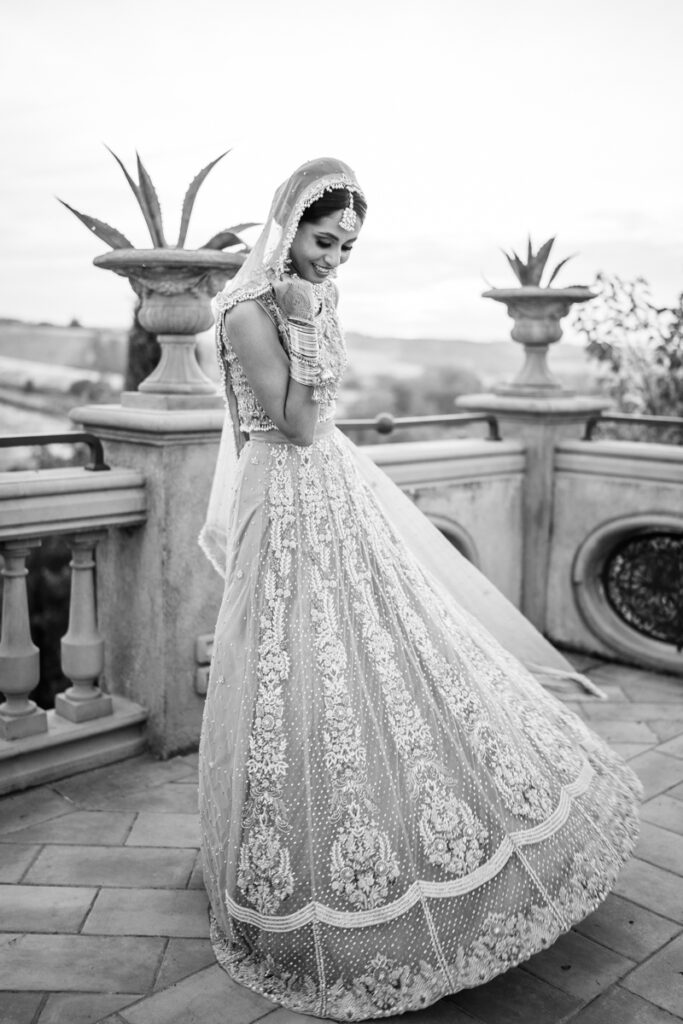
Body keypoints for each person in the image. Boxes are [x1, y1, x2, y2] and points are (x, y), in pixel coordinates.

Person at [198, 157, 641, 1021]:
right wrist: (306, 322)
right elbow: (291, 421)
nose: (334, 259)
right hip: (280, 495)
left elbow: (321, 422)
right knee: (290, 669)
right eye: (325, 241)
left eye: (348, 248)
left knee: (378, 655)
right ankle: (288, 863)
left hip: (329, 486)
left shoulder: (309, 297)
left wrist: (316, 315)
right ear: (286, 229)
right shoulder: (246, 310)